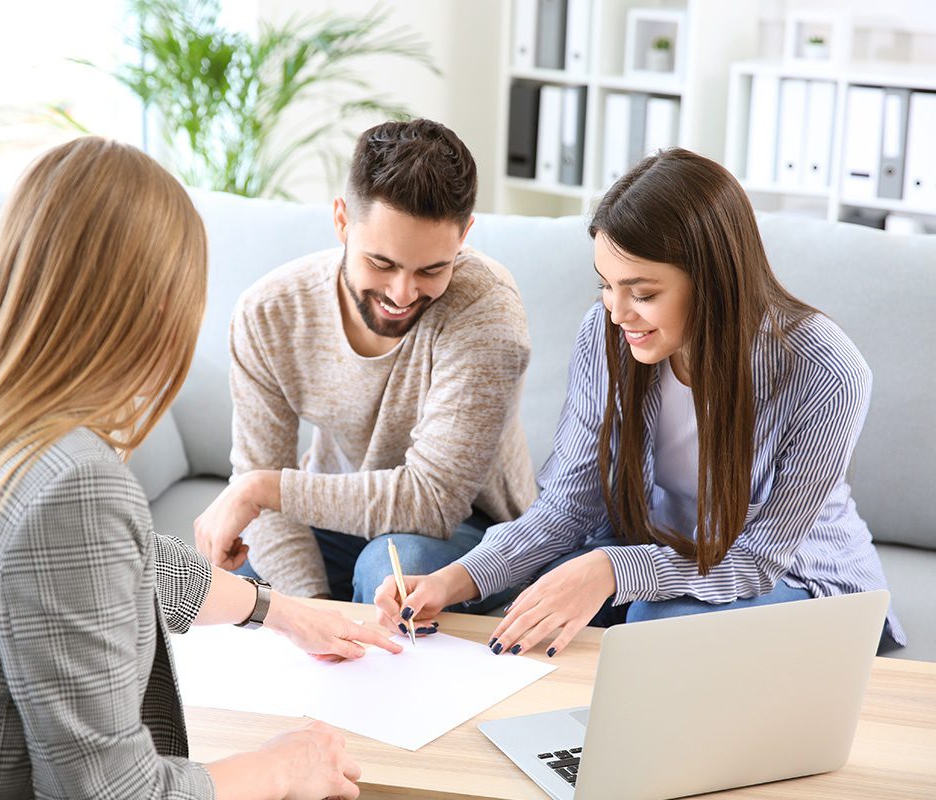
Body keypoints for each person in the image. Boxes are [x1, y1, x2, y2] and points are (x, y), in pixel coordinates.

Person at [0, 136, 400, 800]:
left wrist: (279, 611)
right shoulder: (70, 482)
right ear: (161, 305)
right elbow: (113, 793)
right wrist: (286, 766)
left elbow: (115, 562)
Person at [374, 148, 906, 655]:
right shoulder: (606, 338)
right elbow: (568, 505)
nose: (617, 312)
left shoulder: (826, 369)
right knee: (410, 568)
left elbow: (758, 557)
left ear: (715, 281)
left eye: (643, 293)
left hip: (791, 573)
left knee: (654, 626)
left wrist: (611, 570)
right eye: (607, 286)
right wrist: (456, 579)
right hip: (645, 557)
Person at [195, 119, 537, 606]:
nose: (403, 293)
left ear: (464, 235)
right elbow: (261, 494)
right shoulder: (269, 313)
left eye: (432, 269)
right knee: (239, 563)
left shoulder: (486, 311)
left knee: (392, 568)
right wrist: (311, 610)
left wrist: (261, 489)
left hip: (468, 528)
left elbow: (433, 502)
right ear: (341, 220)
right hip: (336, 510)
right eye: (382, 263)